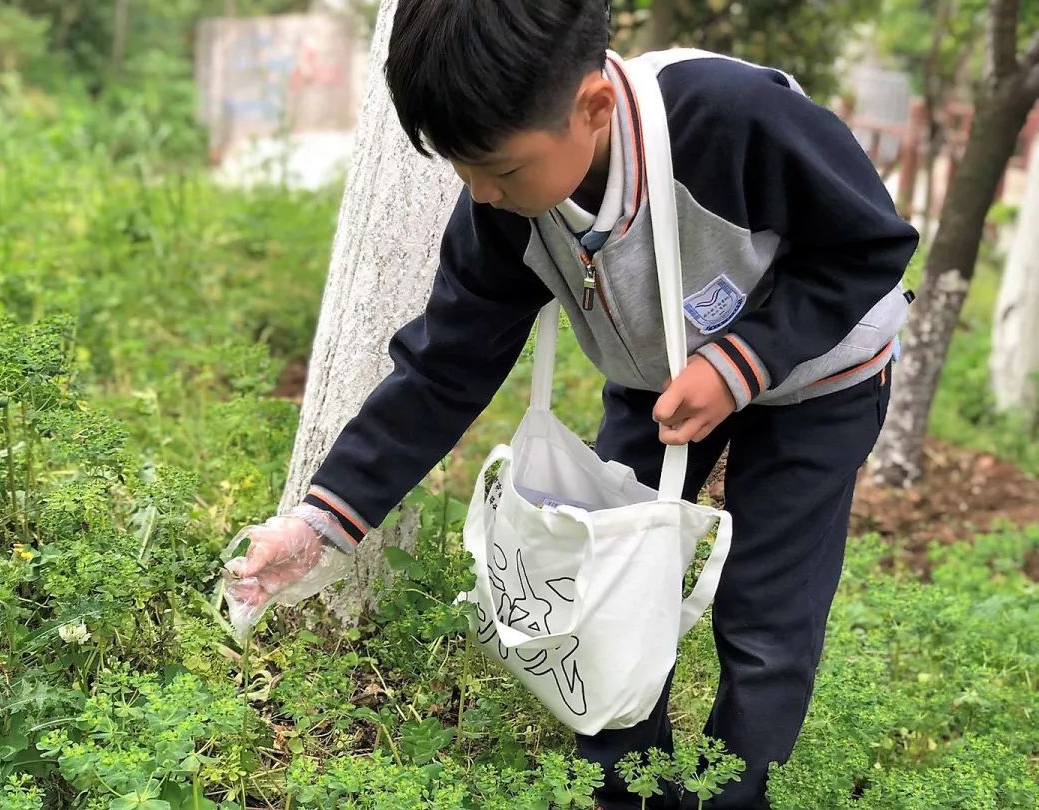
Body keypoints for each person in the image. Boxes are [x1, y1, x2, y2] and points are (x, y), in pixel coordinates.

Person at [227, 2, 919, 807]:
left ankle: (738, 793)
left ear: (592, 107)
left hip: (818, 379)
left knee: (765, 620)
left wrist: (741, 361)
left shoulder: (731, 117)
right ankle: (629, 792)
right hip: (656, 382)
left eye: (503, 170)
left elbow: (872, 244)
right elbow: (442, 369)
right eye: (461, 170)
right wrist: (318, 524)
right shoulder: (500, 202)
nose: (482, 194)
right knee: (605, 589)